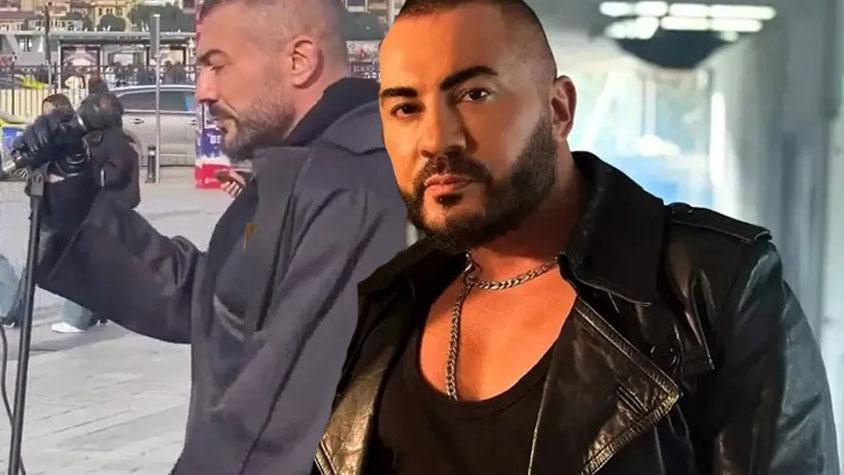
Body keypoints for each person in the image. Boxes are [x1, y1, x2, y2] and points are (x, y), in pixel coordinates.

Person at [315, 1, 838, 474]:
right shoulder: (388, 304)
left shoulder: (714, 286)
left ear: (558, 109)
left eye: (474, 95)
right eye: (406, 108)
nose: (436, 139)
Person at [22, 0, 406, 472]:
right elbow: (212, 298)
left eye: (216, 65)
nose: (202, 91)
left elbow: (275, 421)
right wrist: (74, 203)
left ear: (299, 60)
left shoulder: (353, 186)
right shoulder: (298, 165)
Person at [50, 92, 140, 334]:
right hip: (106, 207)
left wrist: (88, 174)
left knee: (84, 261)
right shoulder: (106, 138)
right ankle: (96, 312)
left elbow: (114, 174)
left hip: (110, 207)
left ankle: (77, 318)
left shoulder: (115, 142)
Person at [2, 94, 76, 328]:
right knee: (35, 263)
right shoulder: (45, 139)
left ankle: (17, 311)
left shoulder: (65, 140)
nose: (42, 117)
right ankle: (17, 311)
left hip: (58, 211)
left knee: (39, 263)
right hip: (48, 210)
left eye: (47, 112)